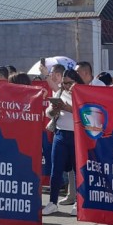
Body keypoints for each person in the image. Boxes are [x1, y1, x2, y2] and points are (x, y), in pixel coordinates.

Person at [43, 69, 84, 215]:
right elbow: (48, 112)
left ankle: (79, 202)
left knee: (78, 171)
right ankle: (52, 202)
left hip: (77, 135)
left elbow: (86, 112)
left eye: (69, 83)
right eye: (64, 83)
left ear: (76, 81)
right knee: (56, 170)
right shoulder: (59, 92)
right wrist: (53, 110)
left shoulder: (83, 93)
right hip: (60, 133)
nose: (66, 86)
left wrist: (68, 108)